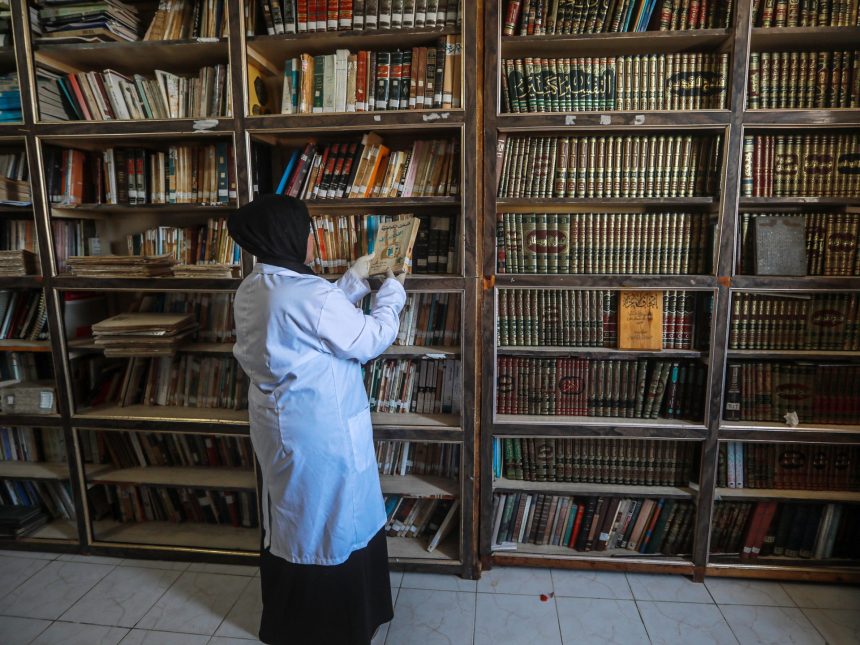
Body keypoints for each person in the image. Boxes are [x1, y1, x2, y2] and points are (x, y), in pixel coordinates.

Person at [228, 194, 407, 645]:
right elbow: (366, 338)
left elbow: (317, 316)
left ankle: (293, 621)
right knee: (331, 522)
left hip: (281, 426)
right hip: (320, 430)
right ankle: (336, 627)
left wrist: (355, 278)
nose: (312, 239)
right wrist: (392, 294)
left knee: (294, 519)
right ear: (289, 236)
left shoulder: (256, 285)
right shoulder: (307, 294)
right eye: (307, 230)